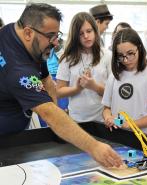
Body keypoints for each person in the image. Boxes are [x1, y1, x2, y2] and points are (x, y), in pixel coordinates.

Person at [0, 3, 122, 168]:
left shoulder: (12, 34)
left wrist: (57, 112)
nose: (56, 43)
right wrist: (95, 147)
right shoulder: (18, 71)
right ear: (28, 32)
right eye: (51, 36)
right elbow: (49, 114)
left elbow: (47, 80)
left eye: (57, 35)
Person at [102, 28, 147, 136]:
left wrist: (130, 124)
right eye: (120, 56)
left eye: (130, 53)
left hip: (141, 138)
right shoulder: (114, 77)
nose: (126, 60)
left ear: (140, 48)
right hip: (115, 136)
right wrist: (108, 117)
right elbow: (106, 108)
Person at [56, 12, 111, 123]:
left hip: (103, 119)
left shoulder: (107, 55)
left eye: (89, 31)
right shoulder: (67, 58)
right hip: (76, 120)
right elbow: (59, 91)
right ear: (75, 36)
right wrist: (77, 89)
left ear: (95, 31)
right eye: (81, 34)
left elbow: (114, 94)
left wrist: (94, 86)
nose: (86, 36)